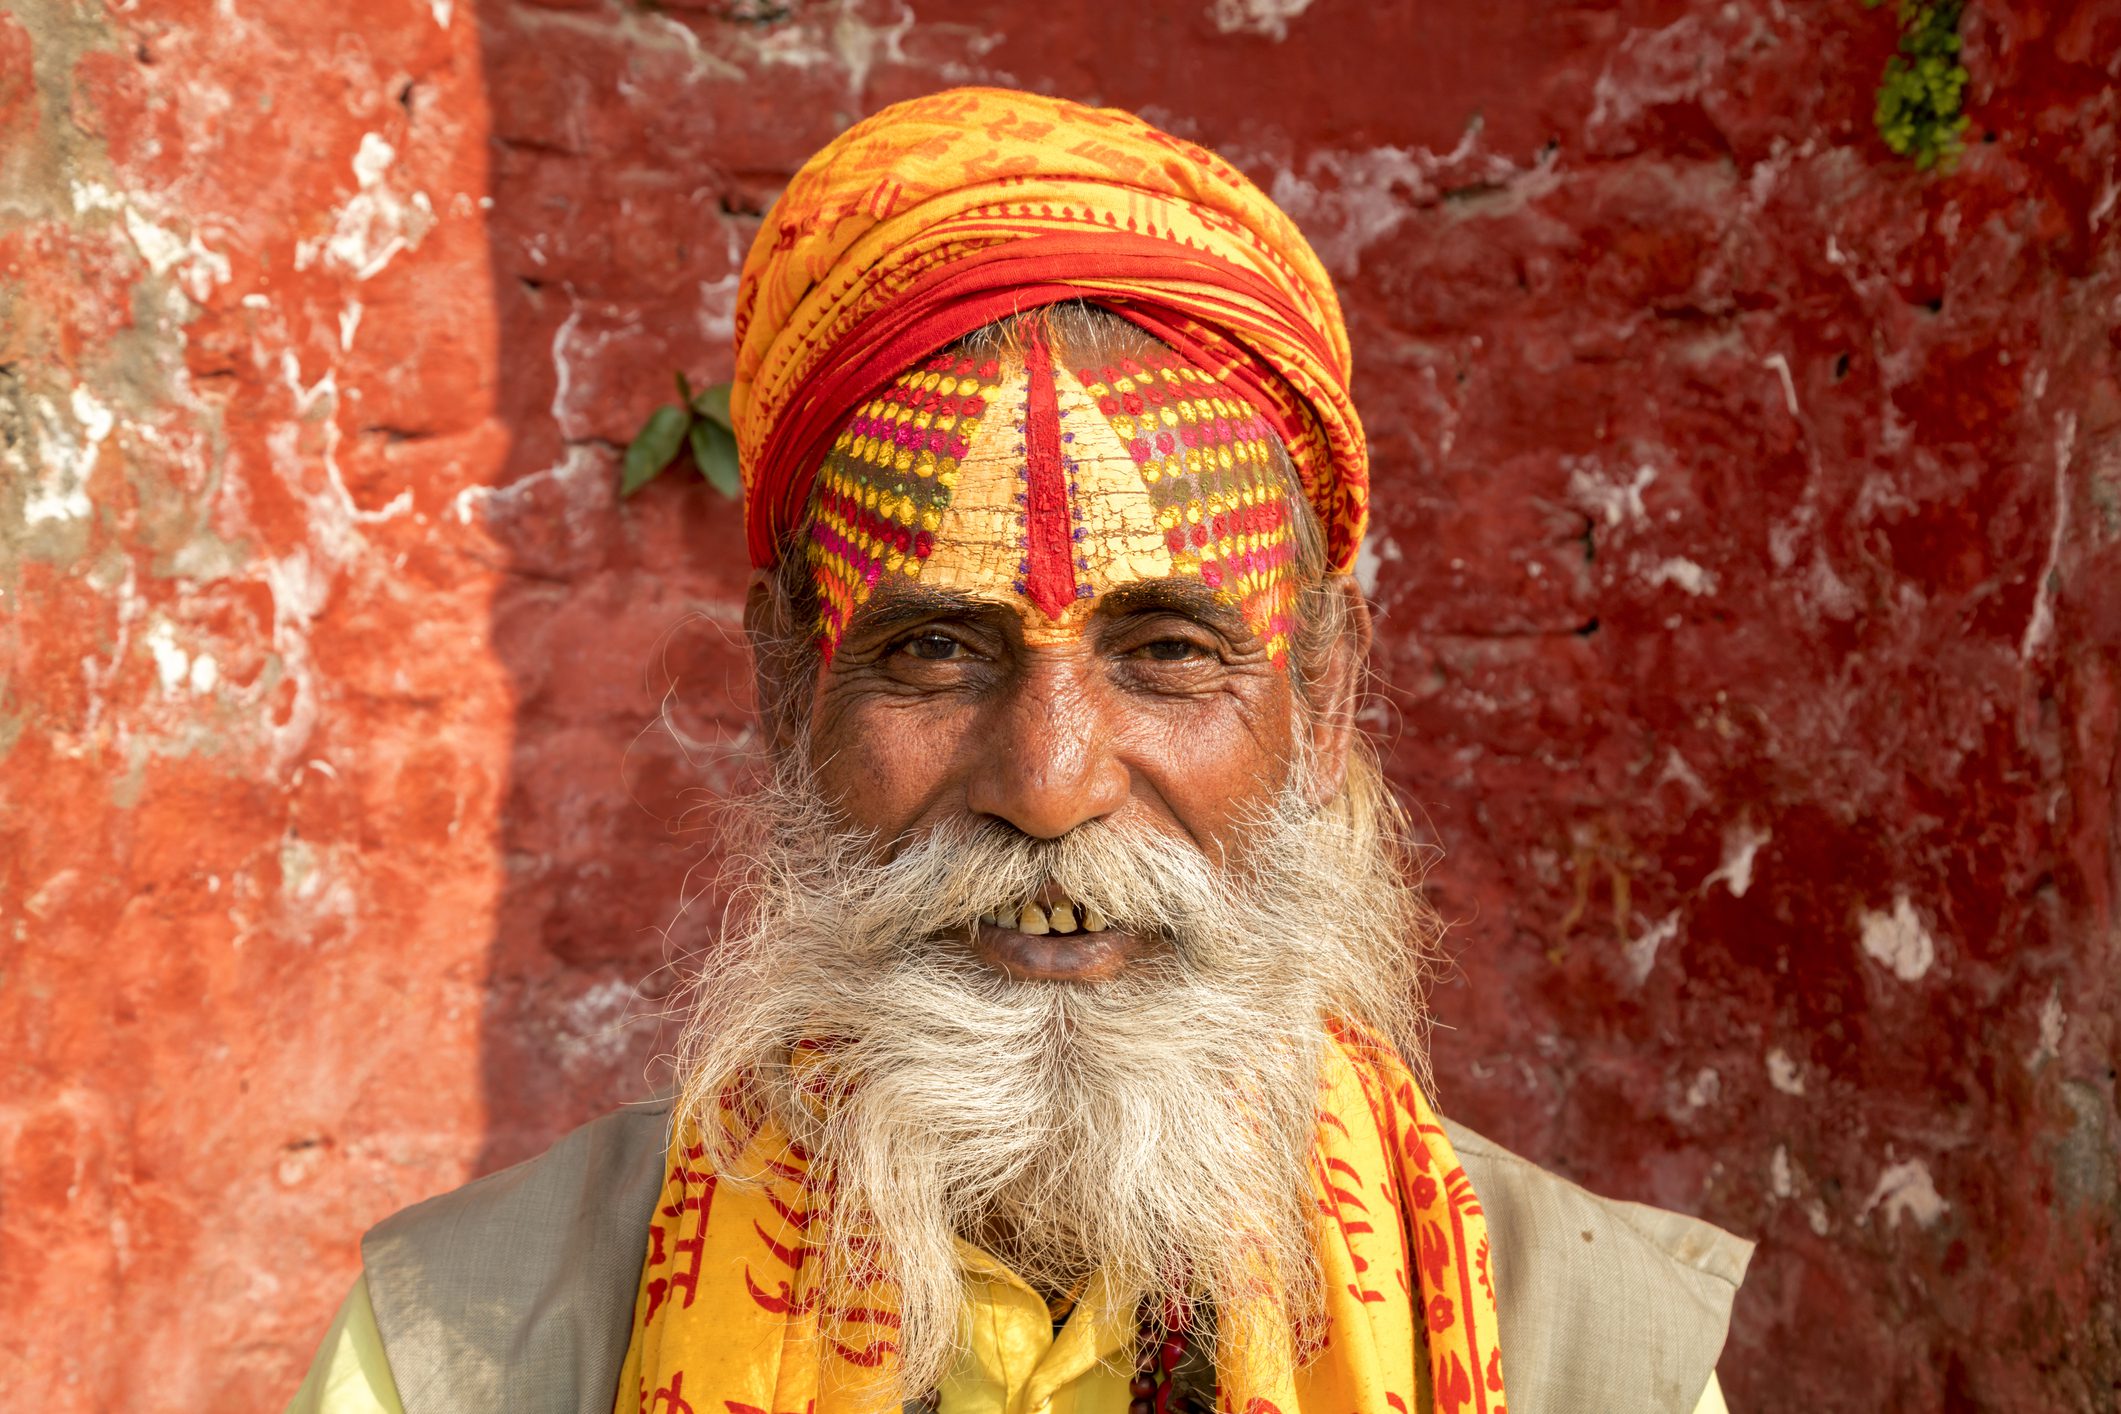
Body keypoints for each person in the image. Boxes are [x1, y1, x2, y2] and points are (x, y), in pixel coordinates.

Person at [288, 87, 1750, 1414]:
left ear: (1324, 703)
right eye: (933, 650)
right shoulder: (465, 1355)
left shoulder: (1588, 1351)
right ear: (789, 686)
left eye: (1167, 650)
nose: (1048, 787)